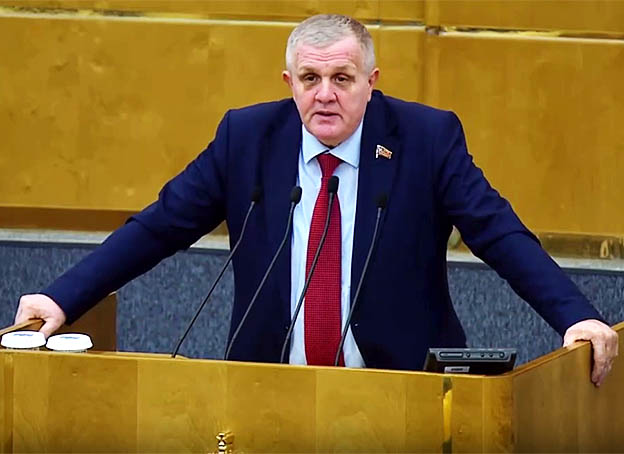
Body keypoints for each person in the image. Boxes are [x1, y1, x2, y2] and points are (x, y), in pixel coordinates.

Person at [16, 14, 617, 384]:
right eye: (310, 79)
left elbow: (498, 233)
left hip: (401, 389)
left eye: (342, 79)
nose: (324, 95)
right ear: (290, 83)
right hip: (269, 390)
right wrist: (62, 297)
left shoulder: (425, 139)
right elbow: (158, 227)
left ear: (371, 83)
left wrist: (575, 316)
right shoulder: (247, 139)